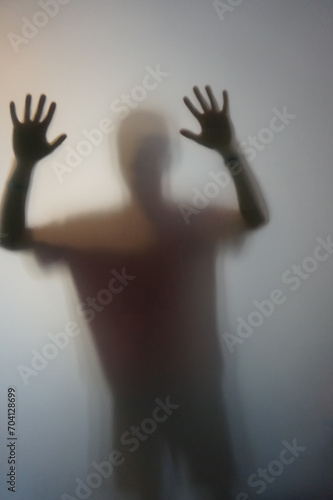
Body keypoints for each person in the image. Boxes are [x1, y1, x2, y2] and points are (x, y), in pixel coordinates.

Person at [0, 87, 268, 500]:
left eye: (153, 149)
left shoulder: (189, 221)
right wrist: (23, 165)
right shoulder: (97, 231)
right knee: (160, 491)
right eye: (141, 151)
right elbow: (11, 237)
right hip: (138, 393)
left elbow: (253, 218)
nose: (146, 161)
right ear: (125, 161)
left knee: (209, 488)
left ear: (165, 157)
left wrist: (230, 151)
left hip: (190, 389)